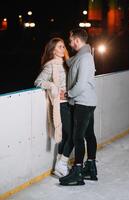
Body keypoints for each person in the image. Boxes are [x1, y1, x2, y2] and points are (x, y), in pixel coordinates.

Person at [59, 28, 98, 186]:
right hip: (87, 101)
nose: (69, 43)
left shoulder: (86, 58)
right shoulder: (81, 56)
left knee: (78, 137)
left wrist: (68, 94)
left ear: (76, 40)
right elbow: (70, 63)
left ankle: (77, 172)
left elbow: (81, 84)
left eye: (70, 41)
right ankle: (91, 167)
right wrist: (64, 53)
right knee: (88, 134)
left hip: (83, 102)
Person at [34, 37, 73, 177]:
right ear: (53, 50)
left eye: (63, 46)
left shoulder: (66, 63)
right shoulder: (51, 65)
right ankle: (62, 163)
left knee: (67, 135)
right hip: (61, 105)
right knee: (73, 135)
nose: (63, 48)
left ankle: (59, 165)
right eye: (59, 46)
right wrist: (53, 87)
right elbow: (38, 81)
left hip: (70, 102)